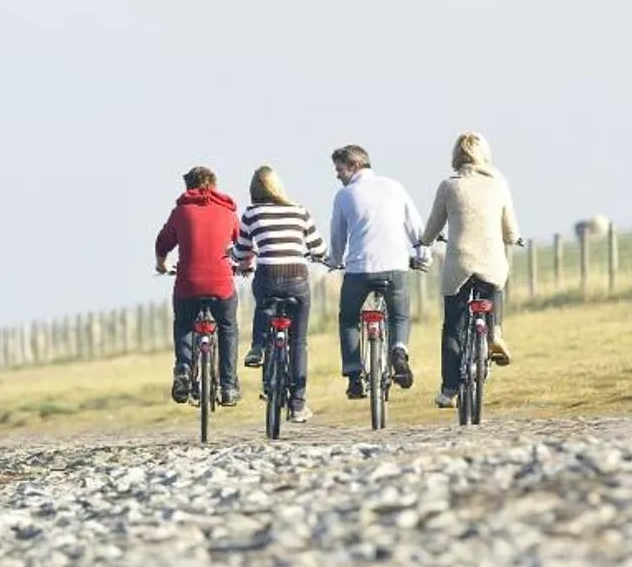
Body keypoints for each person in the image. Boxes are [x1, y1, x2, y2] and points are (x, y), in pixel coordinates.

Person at [420, 132, 521, 407]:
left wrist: (424, 241)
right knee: (494, 287)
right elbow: (511, 231)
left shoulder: (448, 186)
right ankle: (494, 332)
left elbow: (433, 226)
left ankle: (449, 390)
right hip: (490, 262)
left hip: (459, 262)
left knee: (453, 326)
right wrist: (513, 238)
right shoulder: (498, 185)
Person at [324, 145, 427, 399]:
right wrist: (421, 255)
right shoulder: (395, 187)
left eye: (340, 169)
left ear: (355, 166)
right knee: (399, 316)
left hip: (359, 270)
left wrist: (335, 260)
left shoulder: (344, 196)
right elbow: (416, 228)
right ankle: (399, 352)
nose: (337, 175)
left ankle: (353, 375)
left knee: (348, 319)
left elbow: (338, 238)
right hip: (395, 266)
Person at [152, 165, 249, 406]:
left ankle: (183, 369)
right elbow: (244, 244)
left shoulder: (181, 212)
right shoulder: (228, 212)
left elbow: (162, 241)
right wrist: (246, 264)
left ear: (189, 187)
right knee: (228, 327)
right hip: (221, 284)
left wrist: (161, 264)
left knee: (184, 323)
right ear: (214, 185)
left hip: (189, 284)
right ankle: (228, 386)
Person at [239, 166, 328, 422]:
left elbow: (242, 249)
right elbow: (319, 248)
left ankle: (258, 346)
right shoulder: (299, 211)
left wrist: (235, 259)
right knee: (298, 342)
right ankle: (298, 405)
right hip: (297, 279)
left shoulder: (252, 213)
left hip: (267, 278)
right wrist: (318, 256)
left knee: (262, 302)